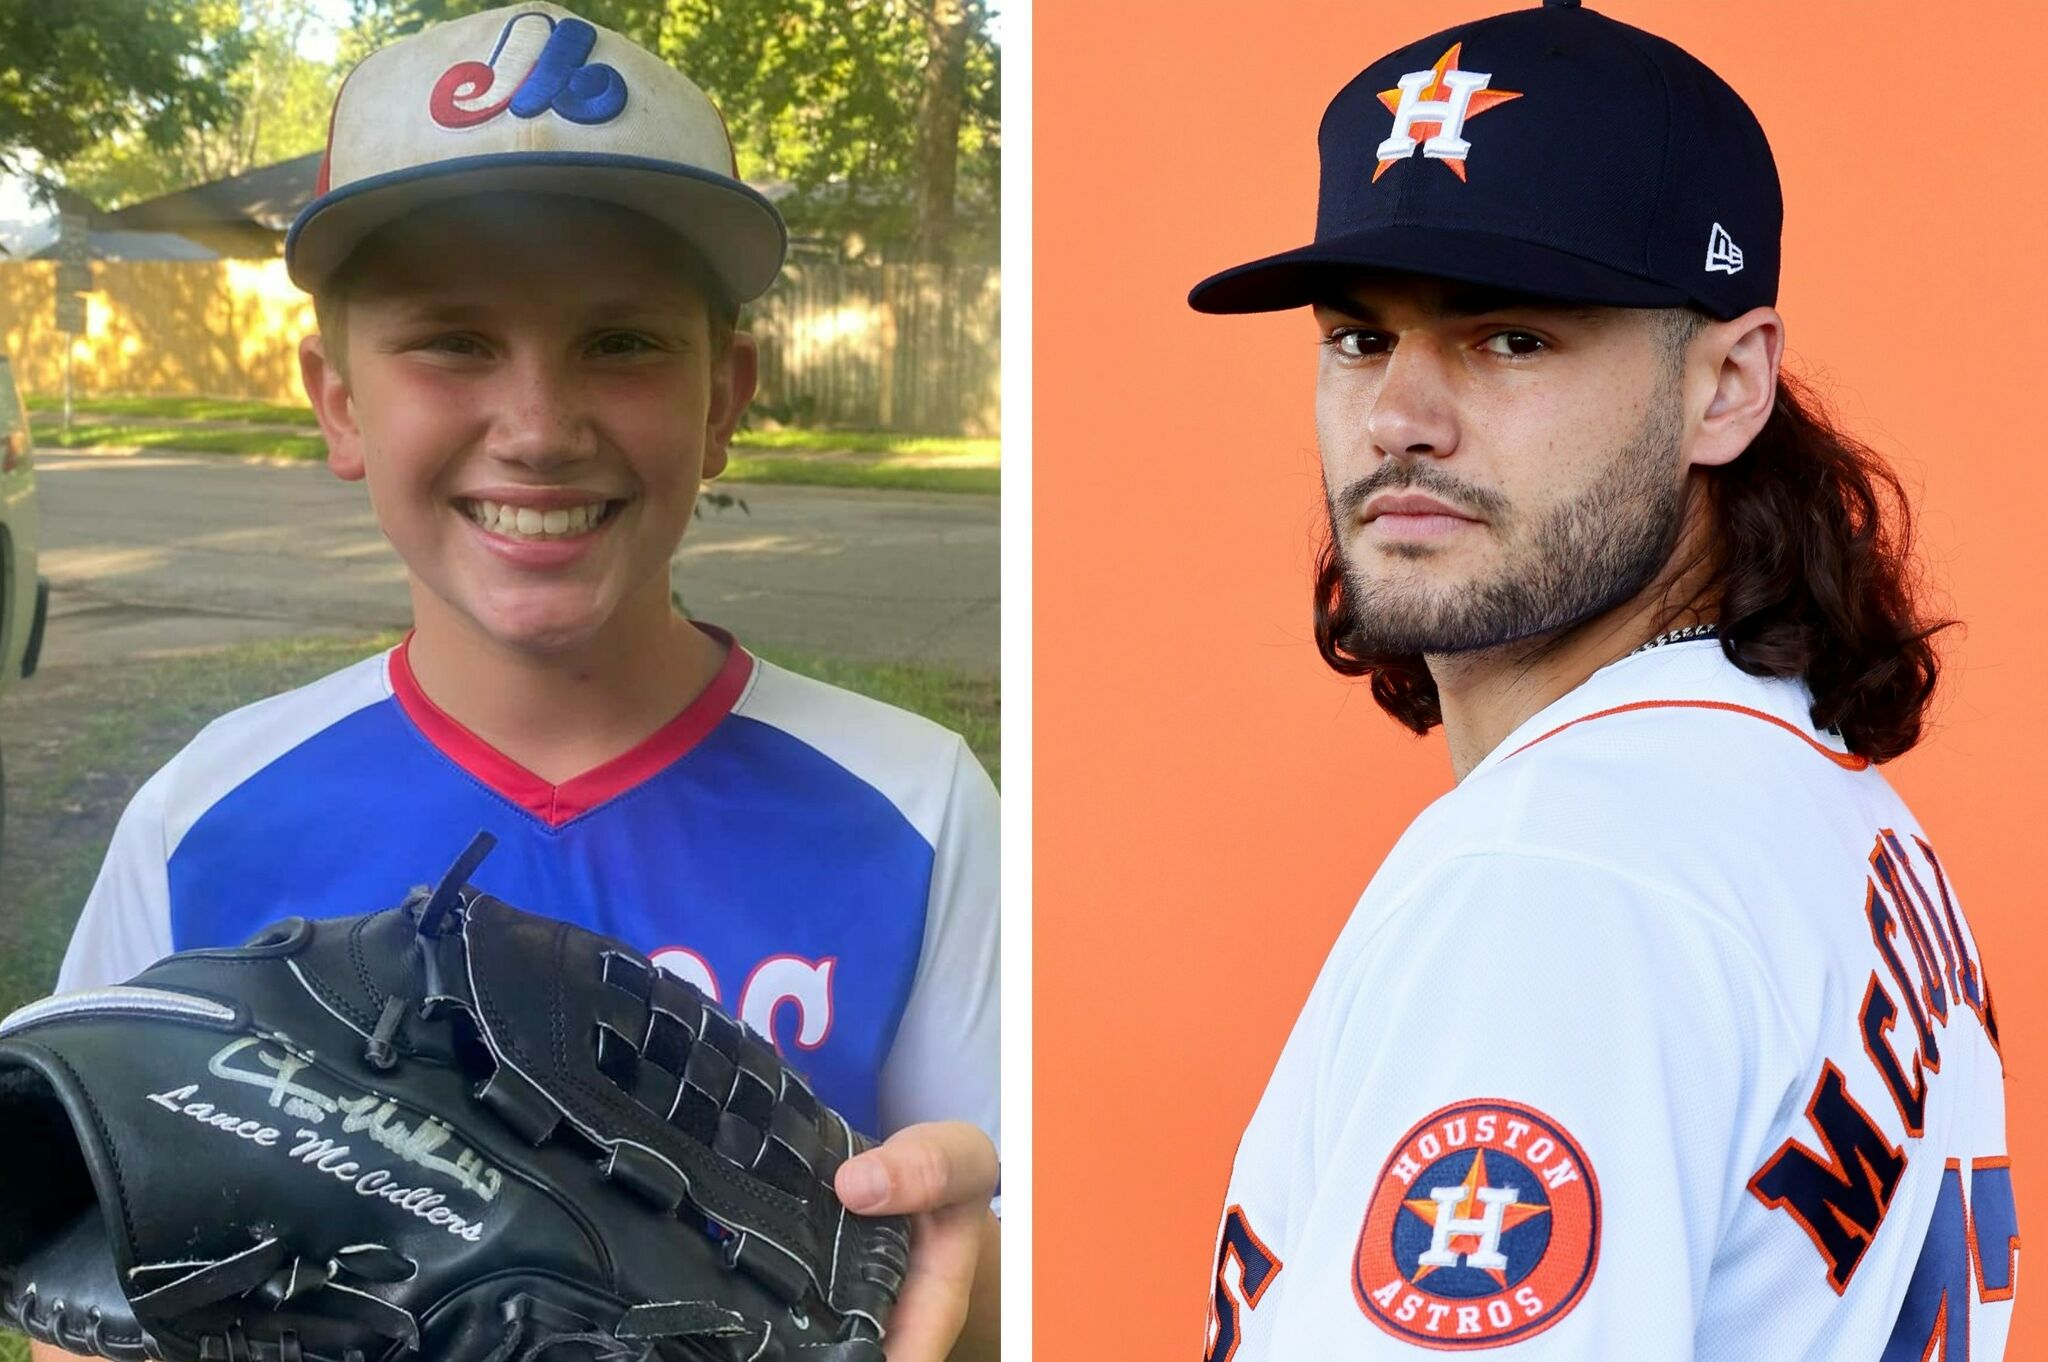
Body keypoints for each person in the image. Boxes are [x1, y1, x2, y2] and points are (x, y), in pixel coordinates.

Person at [48, 6, 999, 1360]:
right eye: (450, 341)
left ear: (725, 396)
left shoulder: (913, 806)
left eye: (622, 342)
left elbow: (1006, 1264)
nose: (541, 429)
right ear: (337, 401)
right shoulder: (211, 820)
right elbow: (88, 1306)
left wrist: (961, 1292)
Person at [1186, 1, 2012, 1357]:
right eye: (1358, 337)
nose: (1399, 416)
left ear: (1727, 385)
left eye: (1510, 336)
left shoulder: (1565, 878)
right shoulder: (1807, 786)